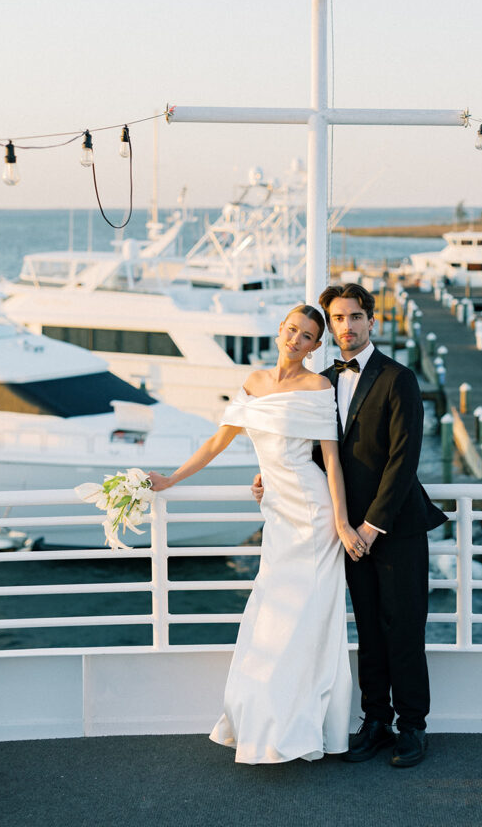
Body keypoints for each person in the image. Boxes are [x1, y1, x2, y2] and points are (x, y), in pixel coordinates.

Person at [149, 304, 366, 764]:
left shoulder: (318, 387)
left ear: (315, 346)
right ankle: (266, 721)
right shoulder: (253, 382)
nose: (295, 340)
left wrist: (343, 523)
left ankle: (301, 725)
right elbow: (217, 441)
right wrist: (170, 479)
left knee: (306, 618)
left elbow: (331, 461)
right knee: (272, 612)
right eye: (292, 330)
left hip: (313, 516)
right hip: (276, 513)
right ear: (280, 330)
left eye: (306, 336)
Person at [253, 283, 446, 768]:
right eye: (338, 318)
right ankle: (375, 720)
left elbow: (403, 460)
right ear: (330, 328)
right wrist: (269, 476)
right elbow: (312, 452)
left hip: (394, 527)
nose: (347, 326)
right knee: (368, 630)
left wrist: (372, 526)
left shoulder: (398, 378)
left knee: (404, 628)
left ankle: (413, 726)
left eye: (355, 317)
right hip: (343, 530)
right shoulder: (320, 381)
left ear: (371, 321)